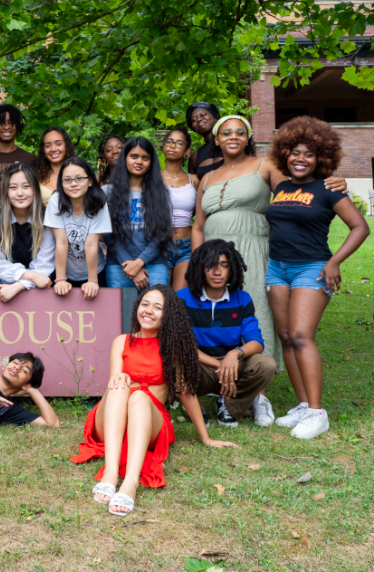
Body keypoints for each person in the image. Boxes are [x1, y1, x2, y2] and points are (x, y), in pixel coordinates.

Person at [191, 115, 347, 366]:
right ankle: (218, 374)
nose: (233, 137)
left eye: (240, 132)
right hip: (212, 254)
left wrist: (334, 183)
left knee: (255, 308)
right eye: (227, 132)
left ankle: (258, 382)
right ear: (217, 139)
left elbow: (298, 192)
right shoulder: (207, 178)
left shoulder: (265, 165)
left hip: (252, 249)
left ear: (248, 138)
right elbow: (198, 226)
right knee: (217, 308)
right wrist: (197, 261)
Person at [71, 285, 237, 516]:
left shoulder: (171, 348)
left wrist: (206, 438)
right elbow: (114, 383)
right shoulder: (122, 341)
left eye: (158, 307)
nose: (149, 311)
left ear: (168, 315)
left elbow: (186, 392)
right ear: (137, 308)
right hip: (112, 420)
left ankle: (130, 482)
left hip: (148, 423)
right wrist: (124, 378)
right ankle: (110, 473)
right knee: (120, 382)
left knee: (139, 395)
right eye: (145, 304)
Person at [264, 117, 370, 439]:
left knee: (300, 335)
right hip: (277, 267)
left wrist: (335, 261)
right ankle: (302, 405)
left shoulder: (327, 188)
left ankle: (316, 412)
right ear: (285, 154)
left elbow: (360, 227)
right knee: (285, 336)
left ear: (320, 158)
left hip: (312, 267)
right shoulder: (281, 187)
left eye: (308, 155)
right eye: (295, 152)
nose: (300, 159)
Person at [178, 240, 277, 427]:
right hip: (199, 365)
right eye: (211, 266)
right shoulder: (183, 298)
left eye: (224, 265)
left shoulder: (242, 298)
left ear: (232, 269)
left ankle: (229, 406)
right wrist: (218, 364)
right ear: (201, 268)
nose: (217, 272)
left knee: (266, 364)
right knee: (176, 360)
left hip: (233, 366)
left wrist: (235, 353)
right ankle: (193, 406)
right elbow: (182, 345)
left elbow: (256, 342)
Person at [103, 137, 173, 292]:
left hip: (154, 267)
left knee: (154, 315)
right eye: (134, 156)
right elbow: (109, 235)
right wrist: (129, 264)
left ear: (151, 163)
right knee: (121, 316)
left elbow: (162, 233)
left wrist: (140, 262)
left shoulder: (162, 193)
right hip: (119, 266)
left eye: (145, 158)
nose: (139, 162)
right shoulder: (108, 192)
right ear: (124, 159)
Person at [0, 163, 54, 303]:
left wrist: (20, 285)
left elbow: (44, 267)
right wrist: (30, 276)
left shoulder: (46, 220)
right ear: (6, 191)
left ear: (35, 189)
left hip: (39, 280)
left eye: (26, 187)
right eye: (13, 187)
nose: (20, 193)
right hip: (1, 278)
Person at [44, 157, 110, 300]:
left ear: (90, 181)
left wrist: (92, 281)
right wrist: (61, 279)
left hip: (95, 270)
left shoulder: (99, 201)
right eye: (67, 180)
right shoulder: (56, 201)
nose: (73, 184)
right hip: (64, 271)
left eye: (79, 178)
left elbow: (91, 243)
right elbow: (61, 242)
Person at [160, 127, 199, 291]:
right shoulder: (152, 178)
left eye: (179, 143)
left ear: (187, 151)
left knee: (180, 299)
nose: (173, 146)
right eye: (169, 141)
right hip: (159, 245)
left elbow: (200, 218)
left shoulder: (195, 180)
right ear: (163, 147)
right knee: (160, 297)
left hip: (186, 246)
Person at [35, 126, 77, 205]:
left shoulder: (80, 172)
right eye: (48, 145)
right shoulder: (36, 176)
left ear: (66, 145)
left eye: (58, 144)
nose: (53, 149)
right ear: (43, 150)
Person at [185, 101, 223, 179]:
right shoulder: (195, 157)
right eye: (194, 120)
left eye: (203, 115)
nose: (199, 120)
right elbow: (194, 187)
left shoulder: (230, 145)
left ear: (215, 118)